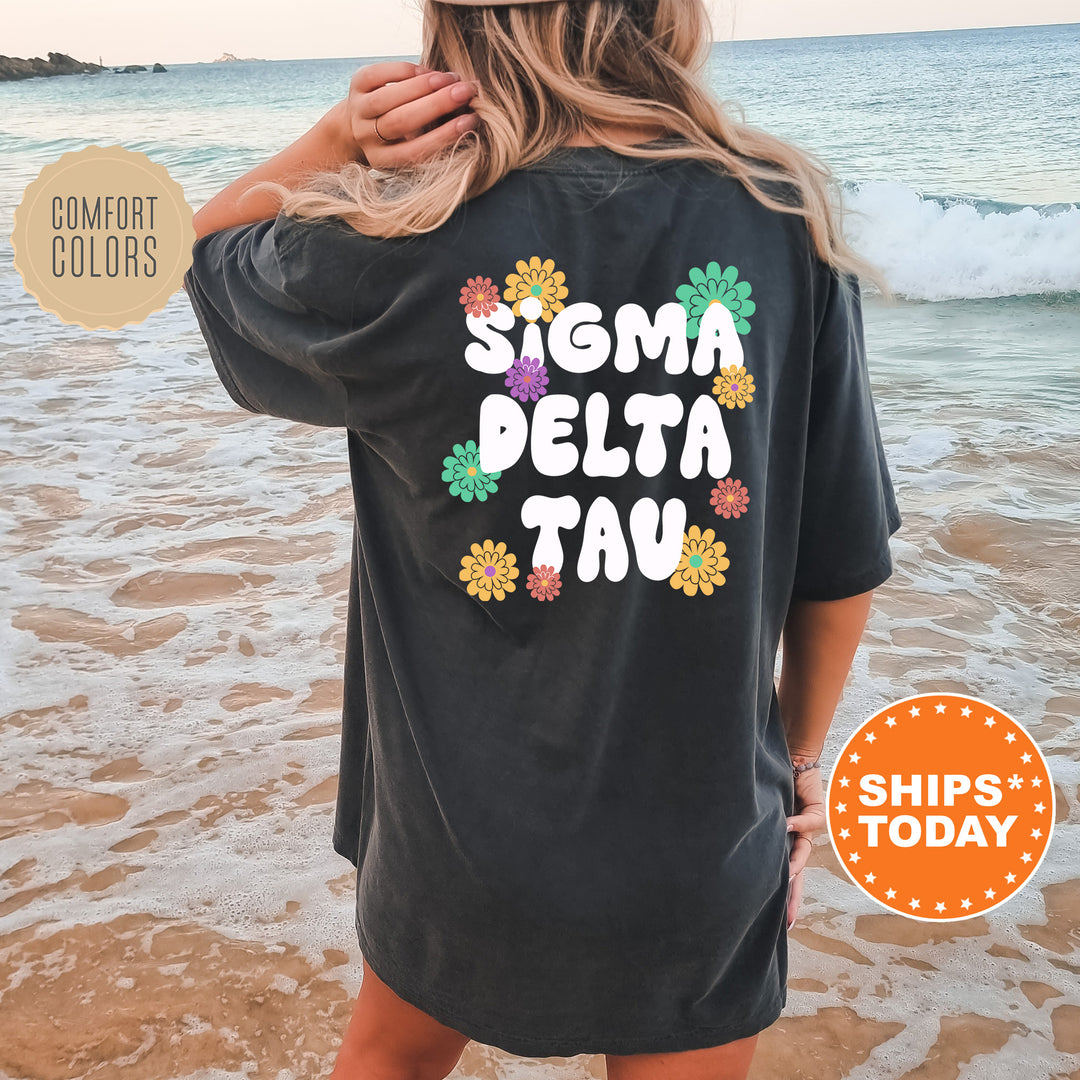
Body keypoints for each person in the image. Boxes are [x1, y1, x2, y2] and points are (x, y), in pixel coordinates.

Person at [182, 0, 903, 1076]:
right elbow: (841, 561)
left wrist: (338, 142)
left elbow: (204, 253)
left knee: (388, 1057)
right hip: (698, 836)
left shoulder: (396, 235)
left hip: (455, 839)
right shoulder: (779, 219)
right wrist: (800, 764)